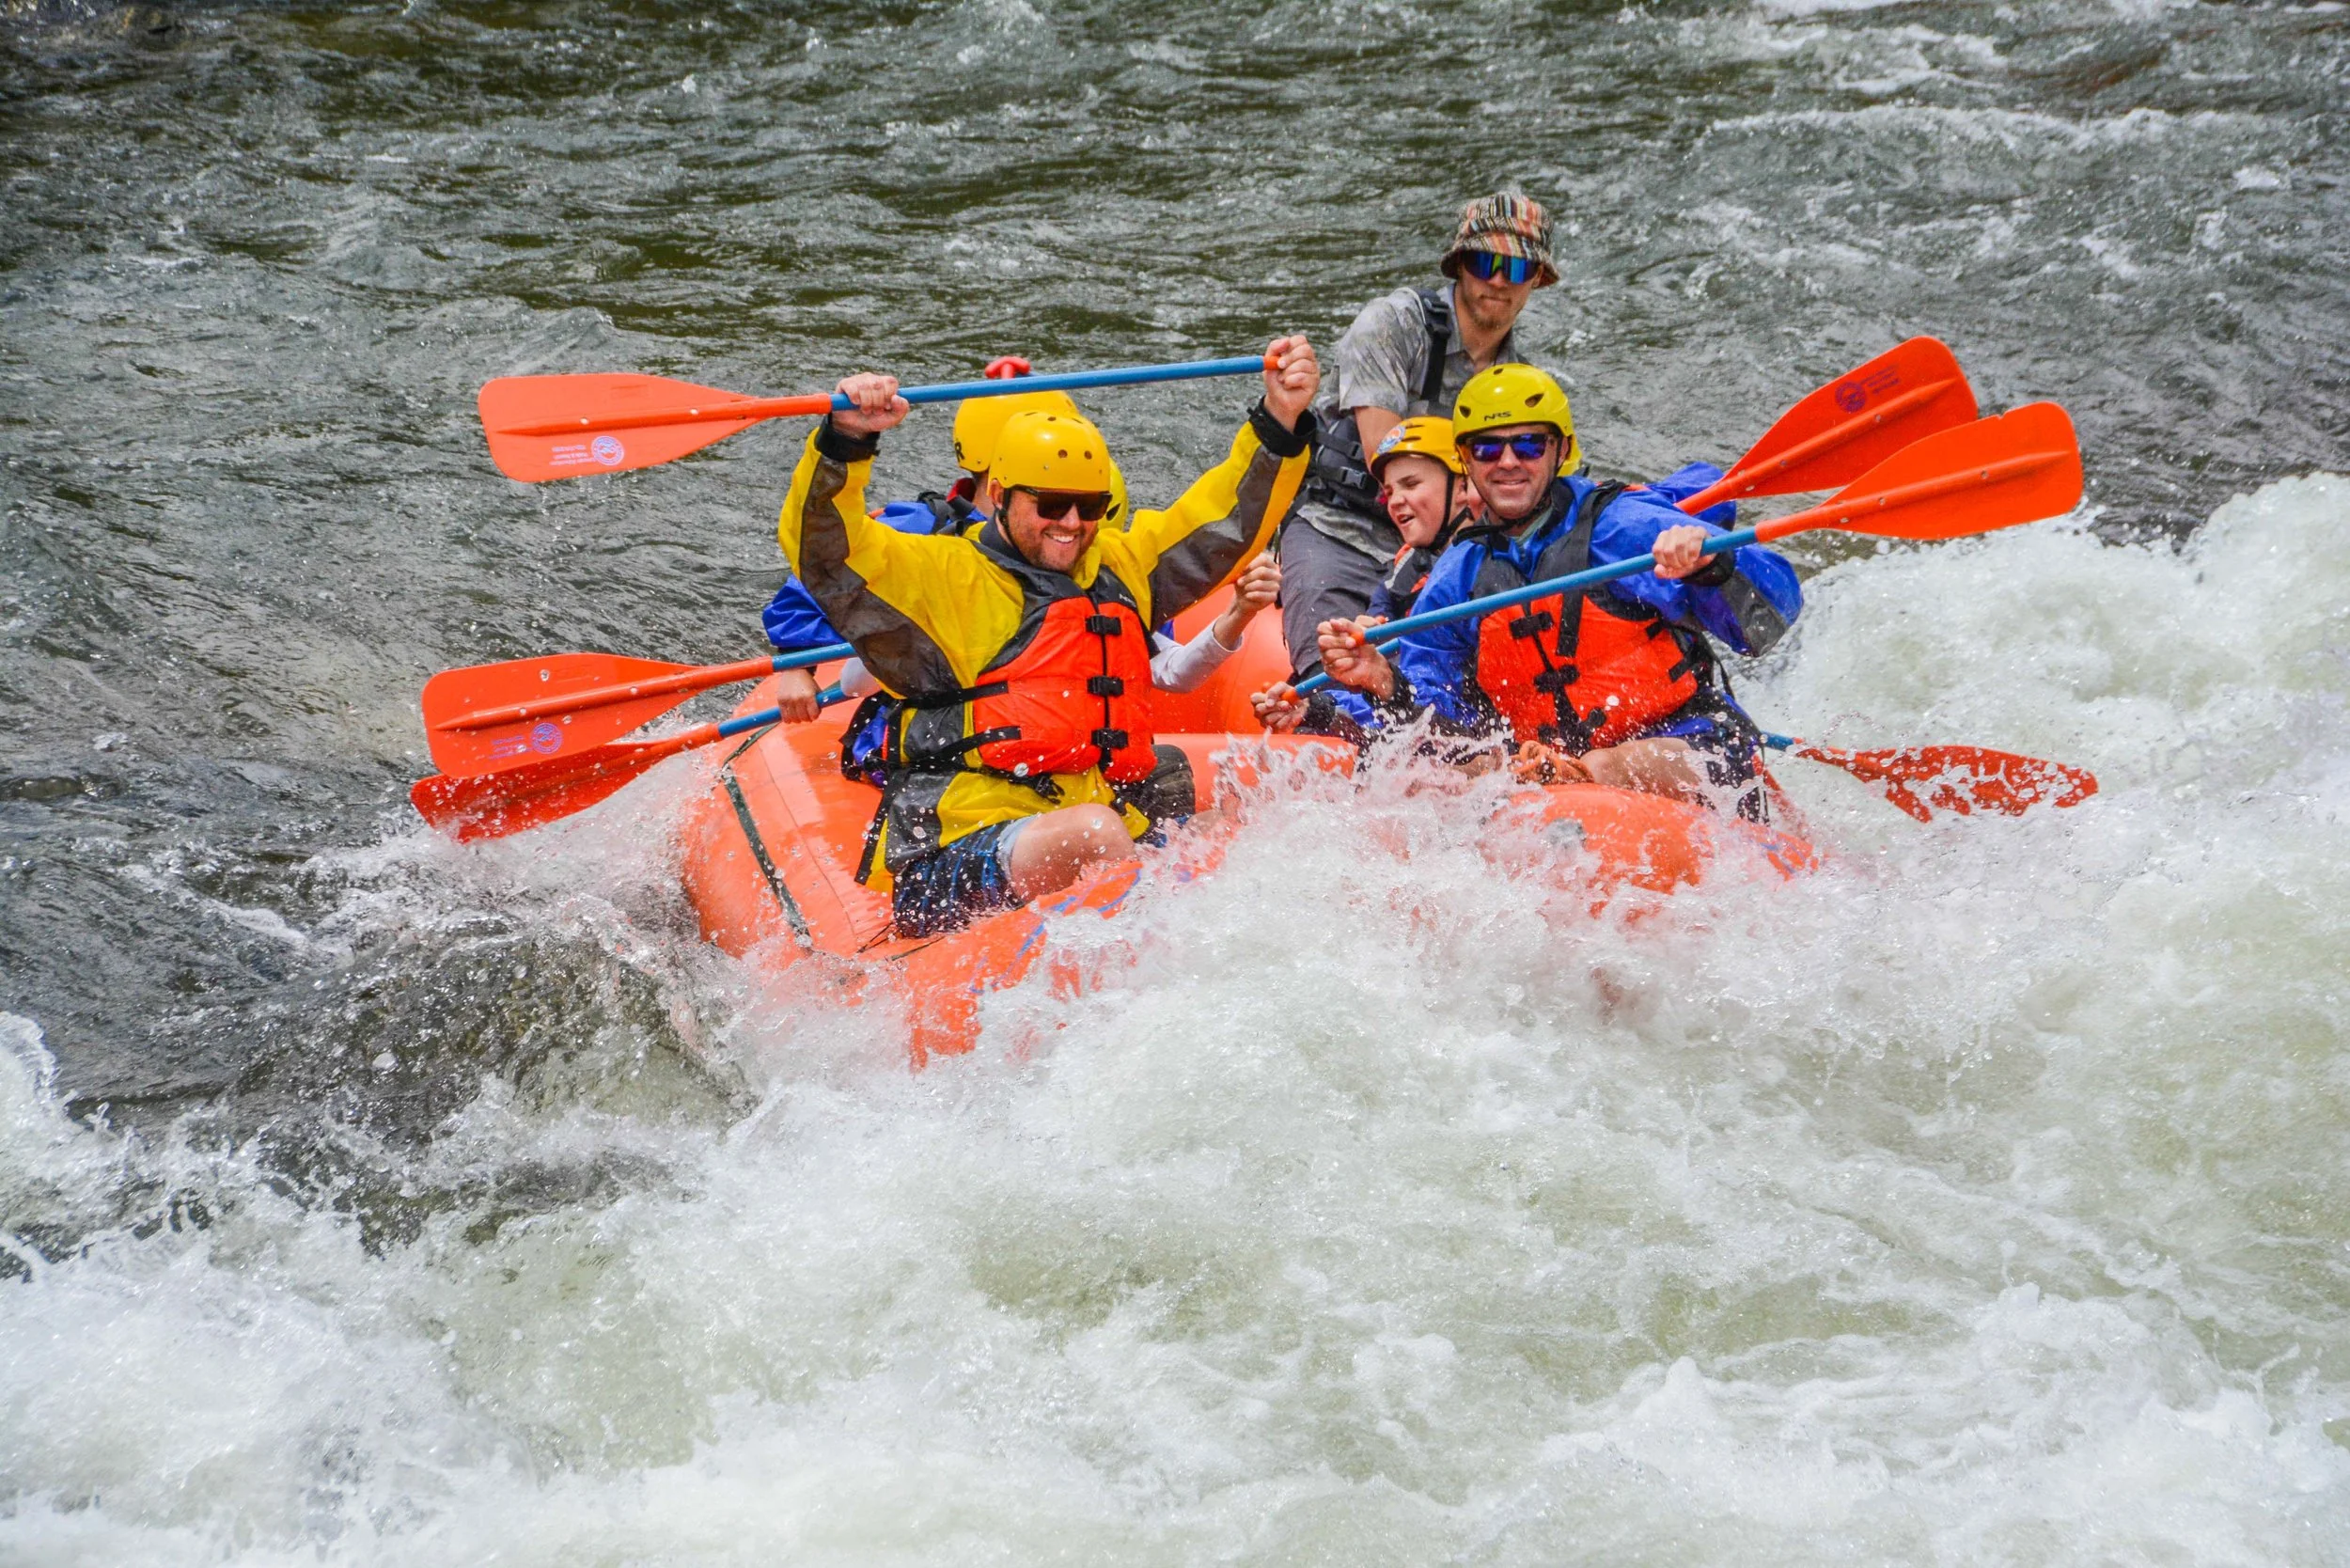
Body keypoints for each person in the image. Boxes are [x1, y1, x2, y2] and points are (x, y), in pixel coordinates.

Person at [777, 337, 1321, 936]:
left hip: (1079, 808)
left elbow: (1224, 521)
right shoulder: (941, 577)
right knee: (1095, 833)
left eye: (1089, 507)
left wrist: (1279, 421)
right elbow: (825, 553)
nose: (1072, 524)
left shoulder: (1117, 565)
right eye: (1053, 505)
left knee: (1231, 821)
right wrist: (847, 441)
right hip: (957, 847)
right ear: (1003, 497)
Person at [1278, 364, 1801, 818]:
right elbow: (1442, 724)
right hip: (1542, 771)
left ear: (1561, 450)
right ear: (1465, 459)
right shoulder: (1458, 579)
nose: (1508, 461)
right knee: (1460, 773)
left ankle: (1581, 777)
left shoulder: (1623, 528)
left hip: (1689, 747)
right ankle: (1565, 784)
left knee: (1605, 764)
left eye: (1528, 444)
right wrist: (1383, 684)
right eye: (1487, 447)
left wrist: (1711, 565)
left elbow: (1772, 617)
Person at [1278, 193, 1556, 680]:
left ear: (1535, 279)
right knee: (1331, 684)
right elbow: (1390, 469)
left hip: (1449, 552)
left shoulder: (1521, 382)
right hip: (1341, 534)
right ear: (1459, 265)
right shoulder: (1392, 325)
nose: (1496, 279)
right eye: (1482, 260)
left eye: (1515, 269)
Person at [760, 370, 1125, 726]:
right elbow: (817, 581)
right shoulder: (924, 529)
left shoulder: (1080, 530)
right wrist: (797, 665)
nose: (1071, 519)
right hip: (932, 716)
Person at [1250, 416, 1473, 738]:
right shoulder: (1406, 569)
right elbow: (1401, 695)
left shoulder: (1486, 567)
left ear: (1463, 486)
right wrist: (1317, 708)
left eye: (1411, 484)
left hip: (1473, 732)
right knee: (1313, 722)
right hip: (1422, 715)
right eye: (1389, 492)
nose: (1395, 501)